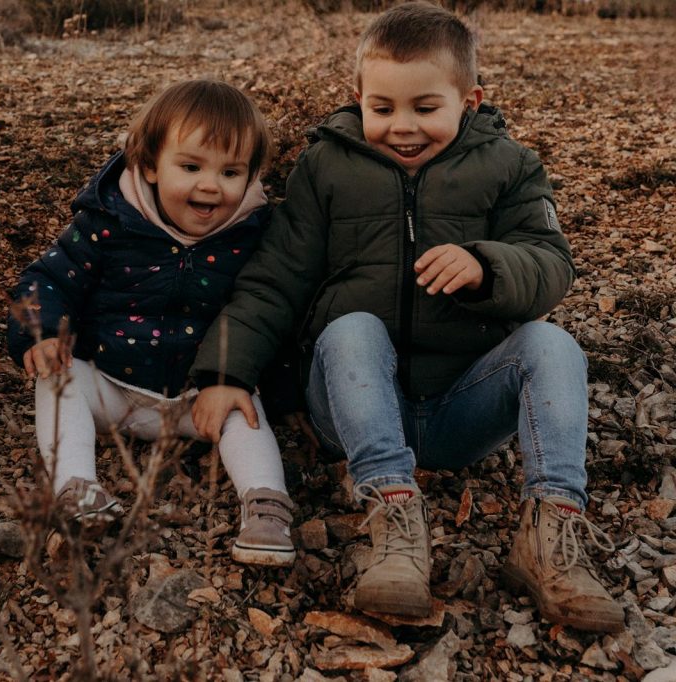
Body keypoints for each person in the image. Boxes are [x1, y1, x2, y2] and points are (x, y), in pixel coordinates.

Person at [190, 2, 623, 631]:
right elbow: (275, 278)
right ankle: (392, 519)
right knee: (353, 326)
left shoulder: (508, 167)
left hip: (459, 411)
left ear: (470, 101)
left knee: (552, 346)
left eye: (426, 108)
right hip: (352, 406)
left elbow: (550, 262)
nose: (403, 127)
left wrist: (486, 265)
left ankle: (552, 529)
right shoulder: (328, 166)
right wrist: (227, 370)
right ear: (358, 97)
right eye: (384, 108)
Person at [7, 79, 295, 567]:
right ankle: (76, 488)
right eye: (190, 166)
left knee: (245, 411)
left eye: (231, 172)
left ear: (251, 177)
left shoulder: (253, 234)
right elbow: (49, 276)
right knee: (60, 377)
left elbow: (271, 303)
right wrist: (41, 332)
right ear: (148, 166)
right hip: (113, 386)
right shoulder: (109, 221)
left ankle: (266, 504)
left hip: (198, 398)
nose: (211, 185)